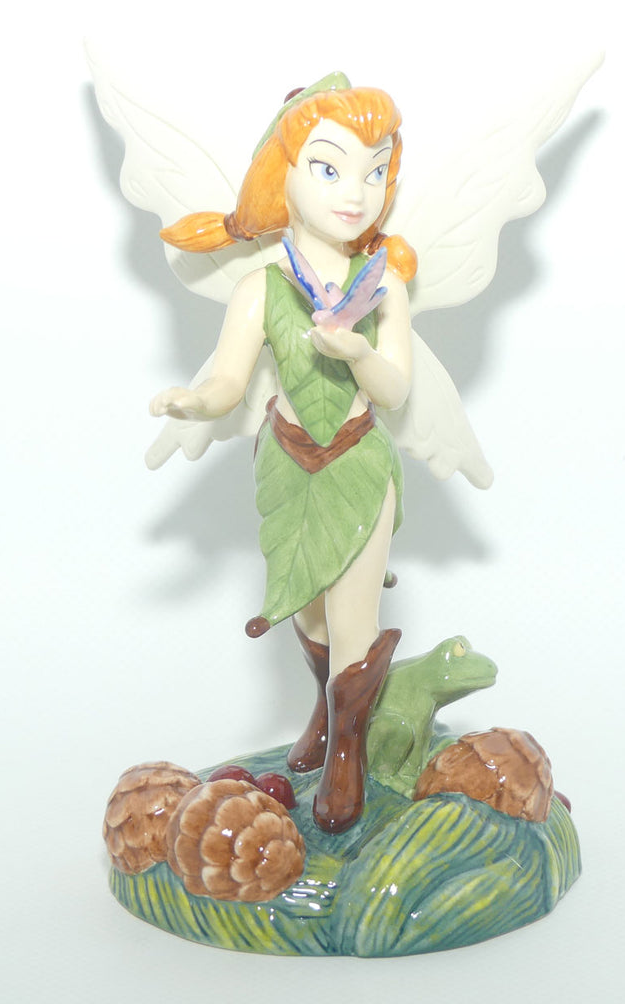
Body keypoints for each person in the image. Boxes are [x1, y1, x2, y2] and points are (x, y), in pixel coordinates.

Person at [149, 78, 415, 833]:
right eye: (330, 168)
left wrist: (359, 353)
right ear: (283, 174)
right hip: (288, 462)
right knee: (309, 608)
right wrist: (194, 401)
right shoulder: (262, 288)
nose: (355, 193)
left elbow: (395, 390)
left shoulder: (383, 284)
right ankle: (326, 714)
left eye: (374, 171)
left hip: (357, 461)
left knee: (354, 615)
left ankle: (347, 754)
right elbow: (228, 382)